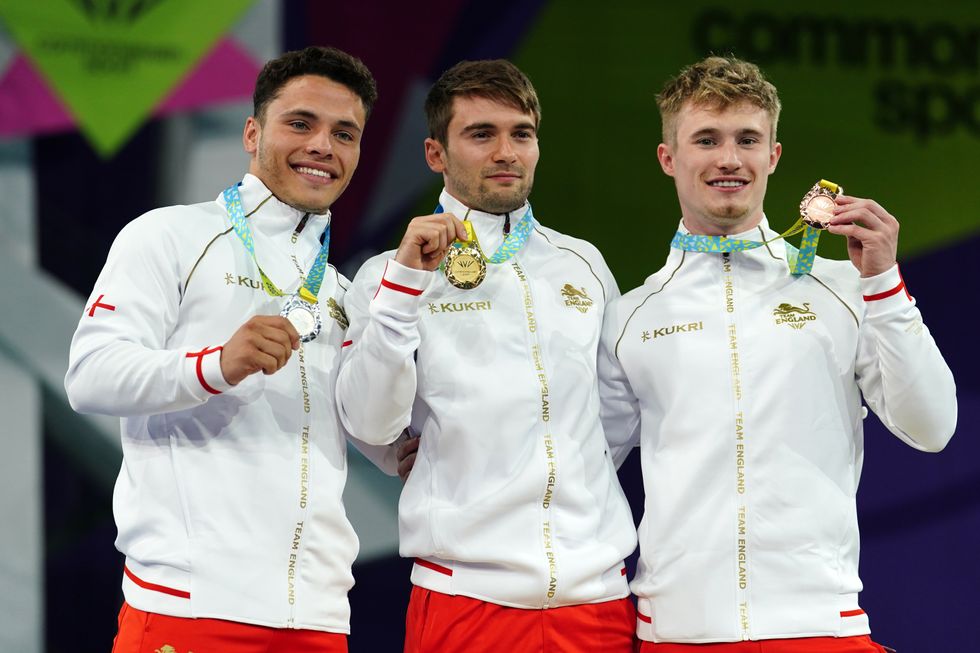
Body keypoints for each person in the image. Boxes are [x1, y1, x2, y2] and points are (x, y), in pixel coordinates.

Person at [598, 55, 957, 652]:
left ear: (774, 155)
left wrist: (886, 288)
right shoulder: (630, 315)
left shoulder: (846, 288)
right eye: (706, 140)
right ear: (669, 158)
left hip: (820, 627)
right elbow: (582, 469)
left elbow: (934, 427)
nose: (729, 159)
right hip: (678, 634)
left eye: (748, 139)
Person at [65, 46, 378, 653]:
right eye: (300, 123)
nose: (323, 146)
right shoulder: (170, 236)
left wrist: (404, 448)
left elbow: (360, 429)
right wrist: (216, 364)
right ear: (252, 132)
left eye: (345, 133)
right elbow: (90, 376)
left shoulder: (341, 292)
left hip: (318, 616)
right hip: (193, 608)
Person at [336, 59, 637, 653]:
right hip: (465, 599)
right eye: (481, 134)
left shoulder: (583, 263)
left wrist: (576, 466)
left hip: (598, 599)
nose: (506, 151)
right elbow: (368, 424)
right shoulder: (388, 273)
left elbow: (617, 413)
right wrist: (404, 289)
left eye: (521, 133)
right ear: (435, 154)